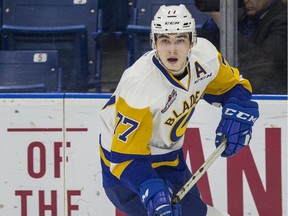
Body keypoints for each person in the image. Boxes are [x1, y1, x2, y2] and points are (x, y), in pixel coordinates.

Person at [99, 4, 259, 216]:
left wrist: (238, 109)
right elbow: (124, 158)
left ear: (192, 41)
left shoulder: (205, 57)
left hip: (170, 157)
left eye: (180, 40)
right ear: (154, 43)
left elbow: (232, 87)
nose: (172, 49)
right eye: (165, 40)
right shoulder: (139, 85)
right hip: (126, 172)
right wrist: (152, 191)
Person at [197, 0, 287, 94]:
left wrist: (227, 27)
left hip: (269, 96)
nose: (246, 0)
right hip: (239, 89)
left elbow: (265, 64)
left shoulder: (283, 21)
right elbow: (204, 44)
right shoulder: (243, 15)